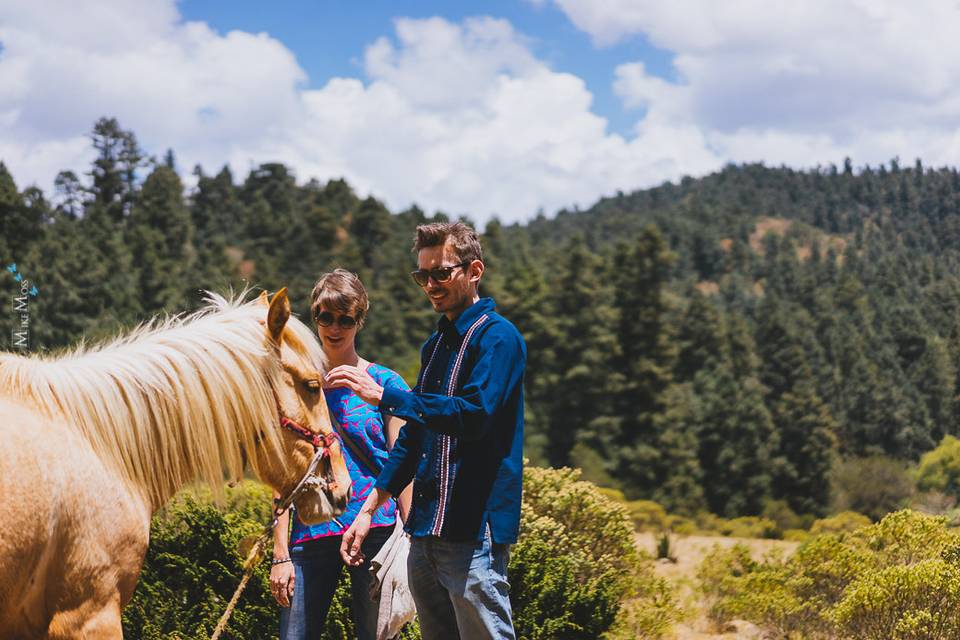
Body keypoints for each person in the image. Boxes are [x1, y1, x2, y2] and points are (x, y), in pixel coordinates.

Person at [326, 222, 526, 640]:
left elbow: (474, 415)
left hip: (474, 533)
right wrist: (368, 509)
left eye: (440, 273)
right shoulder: (435, 347)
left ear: (474, 271)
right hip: (424, 535)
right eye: (422, 276)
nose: (430, 284)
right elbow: (414, 438)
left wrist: (389, 398)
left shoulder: (499, 339)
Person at [270, 269, 412, 640]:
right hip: (310, 530)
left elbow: (404, 463)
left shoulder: (385, 384)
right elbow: (283, 471)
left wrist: (412, 539)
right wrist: (280, 553)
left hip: (374, 528)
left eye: (345, 319)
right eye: (325, 317)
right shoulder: (297, 383)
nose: (334, 327)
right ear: (314, 316)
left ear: (359, 320)